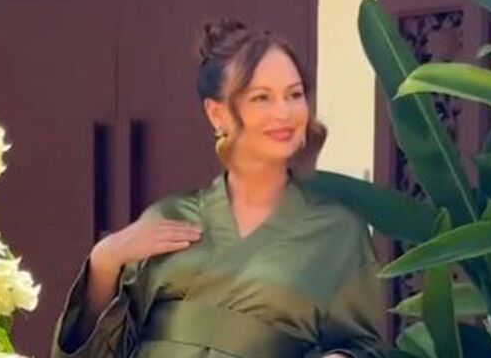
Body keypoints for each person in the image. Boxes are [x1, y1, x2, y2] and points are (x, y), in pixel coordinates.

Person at [51, 18, 384, 358]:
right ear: (217, 113)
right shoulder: (168, 217)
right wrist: (105, 261)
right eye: (262, 98)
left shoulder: (338, 233)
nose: (284, 112)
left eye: (294, 95)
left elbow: (364, 347)